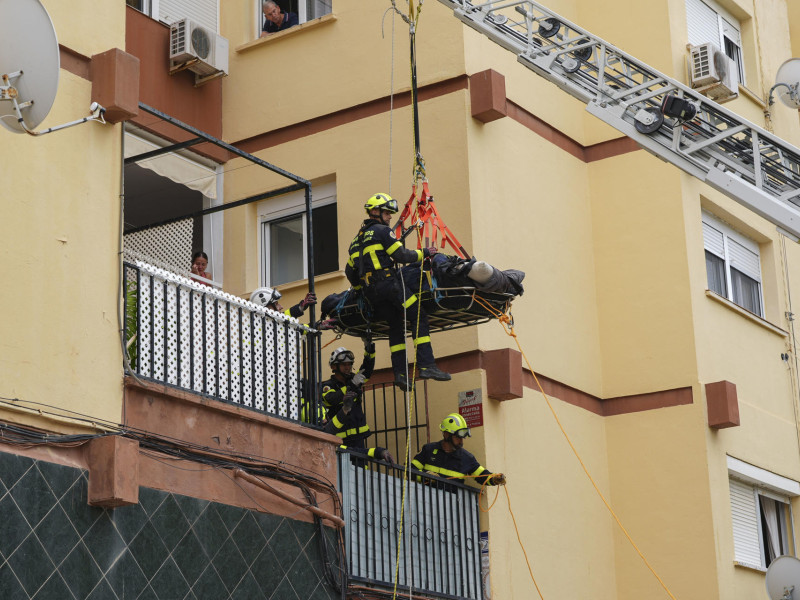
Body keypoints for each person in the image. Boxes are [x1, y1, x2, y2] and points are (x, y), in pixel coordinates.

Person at [345, 193, 451, 391]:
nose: (390, 217)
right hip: (389, 285)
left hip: (372, 294)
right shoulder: (383, 232)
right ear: (375, 212)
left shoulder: (355, 241)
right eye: (387, 213)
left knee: (395, 325)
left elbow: (350, 272)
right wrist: (425, 253)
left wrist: (361, 291)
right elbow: (402, 255)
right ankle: (427, 366)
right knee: (418, 315)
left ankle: (401, 375)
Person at [322, 345, 394, 463]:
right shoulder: (328, 386)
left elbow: (367, 371)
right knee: (343, 468)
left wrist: (369, 351)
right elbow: (331, 399)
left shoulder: (353, 380)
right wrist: (351, 386)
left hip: (359, 437)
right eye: (344, 364)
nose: (348, 367)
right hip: (340, 438)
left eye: (350, 364)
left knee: (361, 468)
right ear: (334, 366)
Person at [411, 413, 506, 486]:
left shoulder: (467, 458)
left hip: (451, 507)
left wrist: (494, 479)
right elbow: (411, 471)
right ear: (446, 435)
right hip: (425, 503)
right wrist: (426, 476)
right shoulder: (429, 450)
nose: (461, 441)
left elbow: (481, 475)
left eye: (462, 438)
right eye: (458, 437)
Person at [250, 285, 316, 319]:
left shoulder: (276, 322)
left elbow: (286, 315)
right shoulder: (256, 330)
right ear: (264, 308)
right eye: (276, 304)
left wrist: (301, 307)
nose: (281, 307)